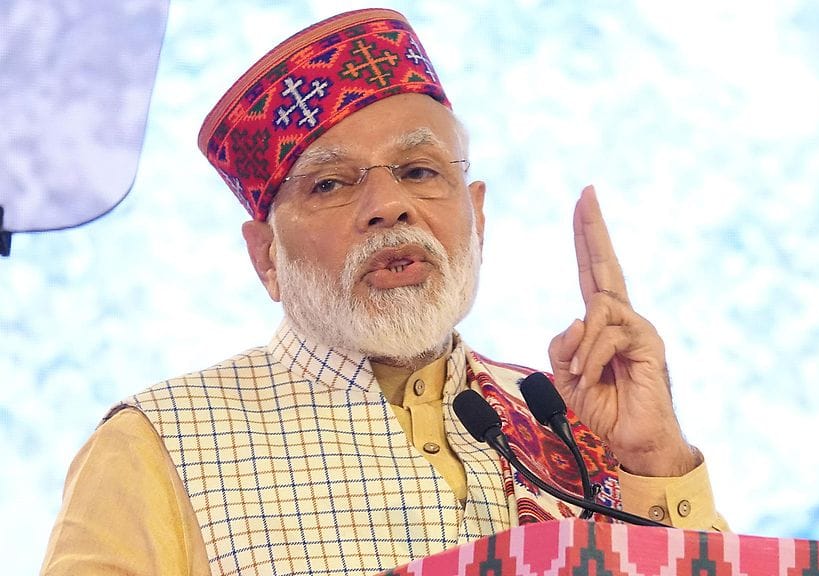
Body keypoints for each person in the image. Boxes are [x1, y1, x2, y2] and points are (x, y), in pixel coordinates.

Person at [41, 8, 728, 575]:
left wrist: (653, 459)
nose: (389, 206)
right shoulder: (158, 444)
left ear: (477, 215)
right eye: (331, 184)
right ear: (266, 257)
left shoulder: (566, 424)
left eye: (420, 171)